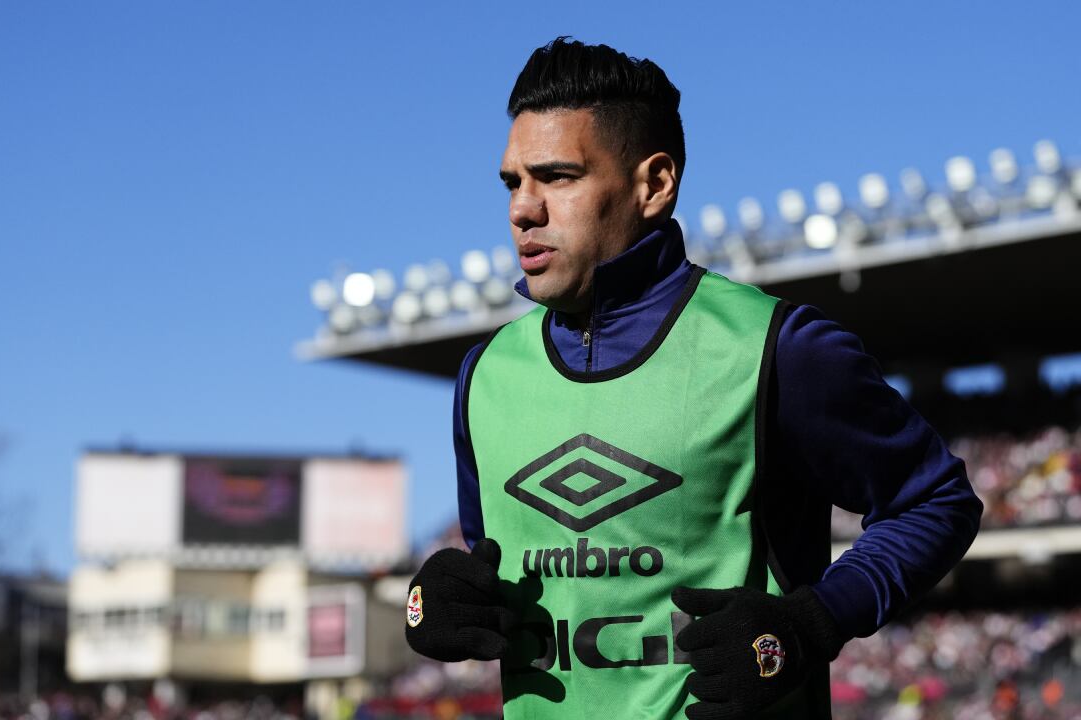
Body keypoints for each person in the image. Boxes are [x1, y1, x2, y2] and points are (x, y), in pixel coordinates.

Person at [403, 37, 982, 720]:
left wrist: (811, 621)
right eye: (513, 182)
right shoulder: (486, 375)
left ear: (654, 185)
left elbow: (935, 501)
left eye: (557, 176)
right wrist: (435, 604)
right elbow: (492, 558)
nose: (522, 209)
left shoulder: (773, 347)